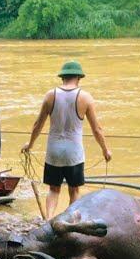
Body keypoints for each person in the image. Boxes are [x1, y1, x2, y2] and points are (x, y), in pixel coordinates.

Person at [21, 60, 112, 219]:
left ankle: (48, 220)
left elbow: (38, 125)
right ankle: (70, 223)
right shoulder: (85, 97)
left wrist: (30, 145)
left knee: (53, 189)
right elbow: (97, 129)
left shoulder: (50, 95)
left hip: (53, 151)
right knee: (74, 190)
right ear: (78, 78)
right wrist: (105, 150)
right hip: (74, 153)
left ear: (62, 77)